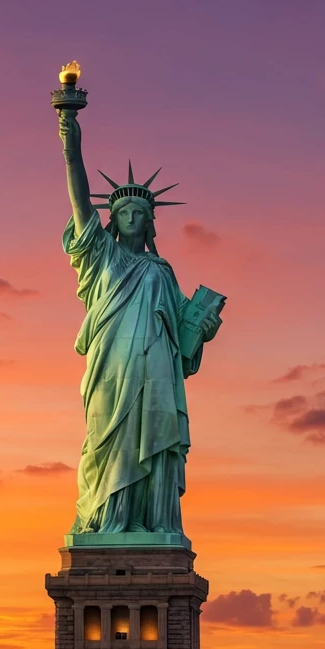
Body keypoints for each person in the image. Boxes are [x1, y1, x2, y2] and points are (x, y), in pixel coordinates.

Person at [58, 110, 222, 536]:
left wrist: (203, 328)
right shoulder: (100, 257)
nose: (132, 217)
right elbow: (78, 196)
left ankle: (150, 522)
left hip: (157, 370)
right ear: (112, 220)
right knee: (106, 442)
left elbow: (182, 331)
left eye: (140, 212)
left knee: (155, 441)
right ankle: (106, 520)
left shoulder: (161, 270)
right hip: (111, 366)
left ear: (151, 222)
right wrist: (70, 138)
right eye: (124, 210)